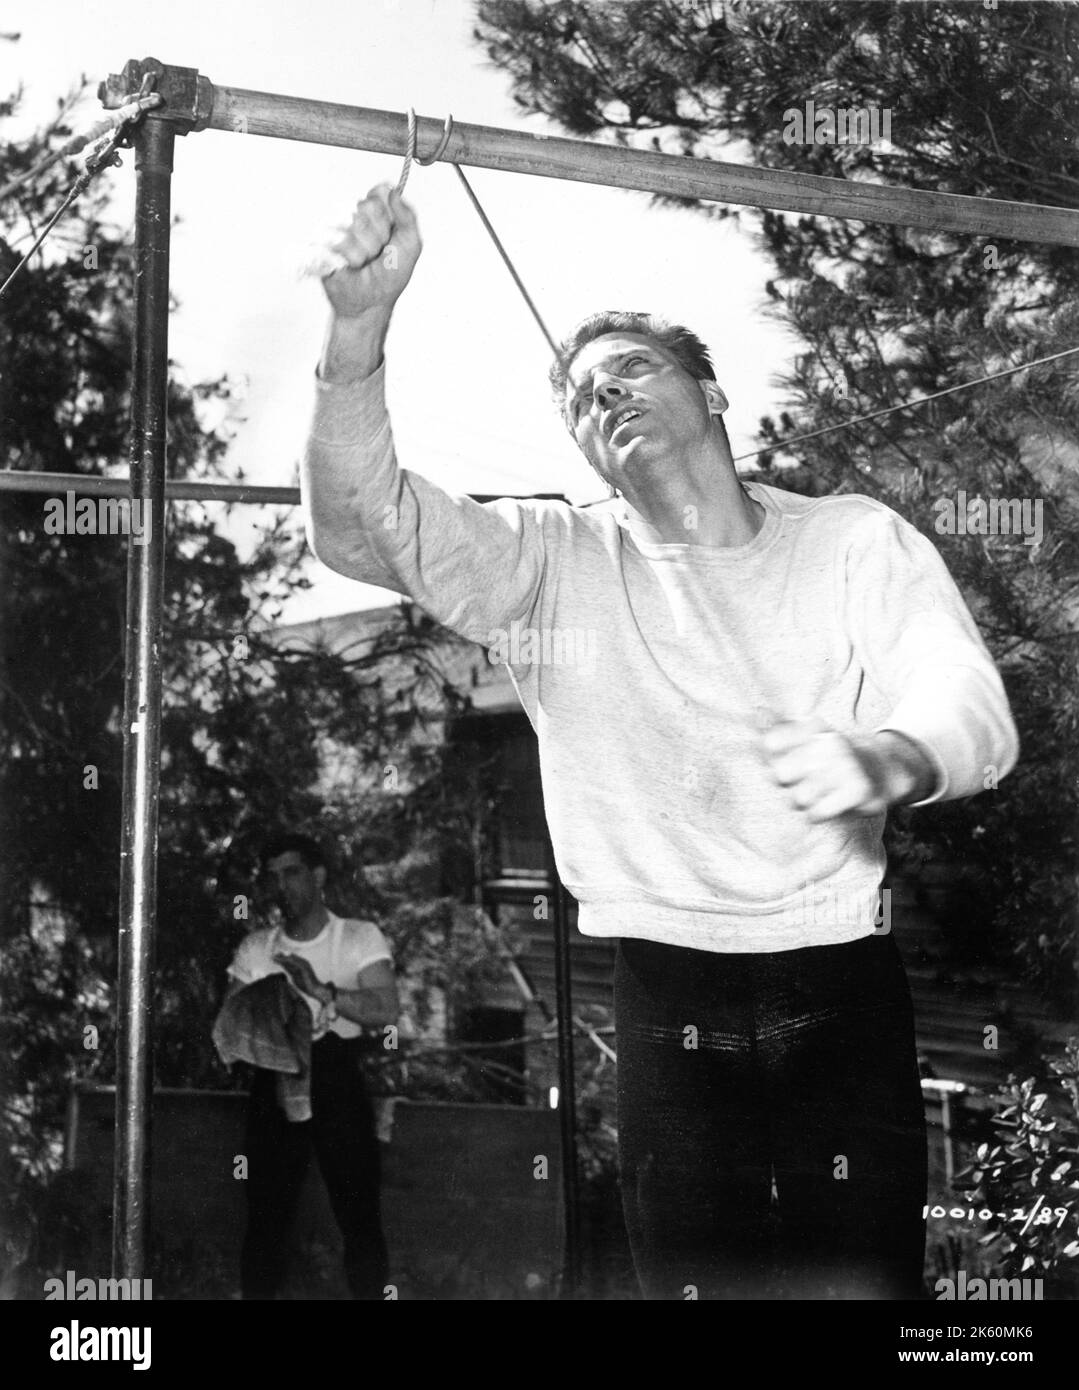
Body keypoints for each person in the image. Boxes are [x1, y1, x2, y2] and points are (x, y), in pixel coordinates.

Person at [298, 185, 1018, 1300]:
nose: (605, 396)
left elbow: (966, 698)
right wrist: (356, 336)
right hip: (663, 992)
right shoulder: (547, 562)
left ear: (713, 390)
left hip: (839, 981)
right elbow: (359, 525)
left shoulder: (851, 542)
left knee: (867, 1294)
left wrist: (896, 755)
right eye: (583, 399)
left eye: (632, 369)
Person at [223, 832, 397, 1300]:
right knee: (265, 1219)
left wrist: (323, 992)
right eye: (273, 877)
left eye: (292, 872)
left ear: (318, 876)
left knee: (359, 1215)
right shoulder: (257, 948)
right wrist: (272, 1013)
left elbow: (386, 1009)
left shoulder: (358, 936)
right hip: (274, 1081)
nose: (282, 886)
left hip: (337, 1078)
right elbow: (229, 1033)